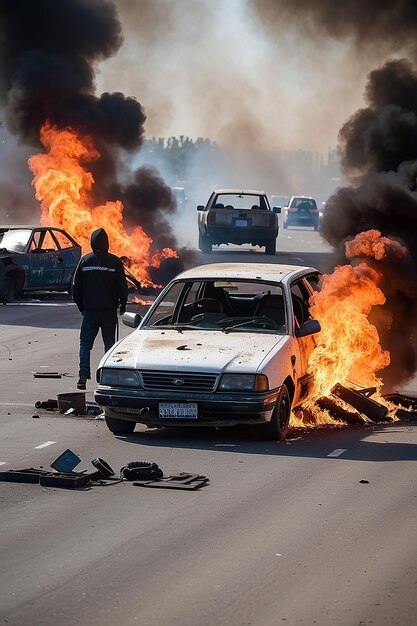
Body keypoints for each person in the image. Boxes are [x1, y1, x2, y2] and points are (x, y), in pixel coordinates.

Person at [72, 228, 128, 390]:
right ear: (107, 244)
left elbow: (76, 288)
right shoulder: (115, 262)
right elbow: (122, 287)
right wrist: (122, 306)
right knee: (110, 344)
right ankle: (106, 377)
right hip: (109, 312)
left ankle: (83, 374)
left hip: (90, 311)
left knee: (85, 344)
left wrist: (81, 307)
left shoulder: (85, 261)